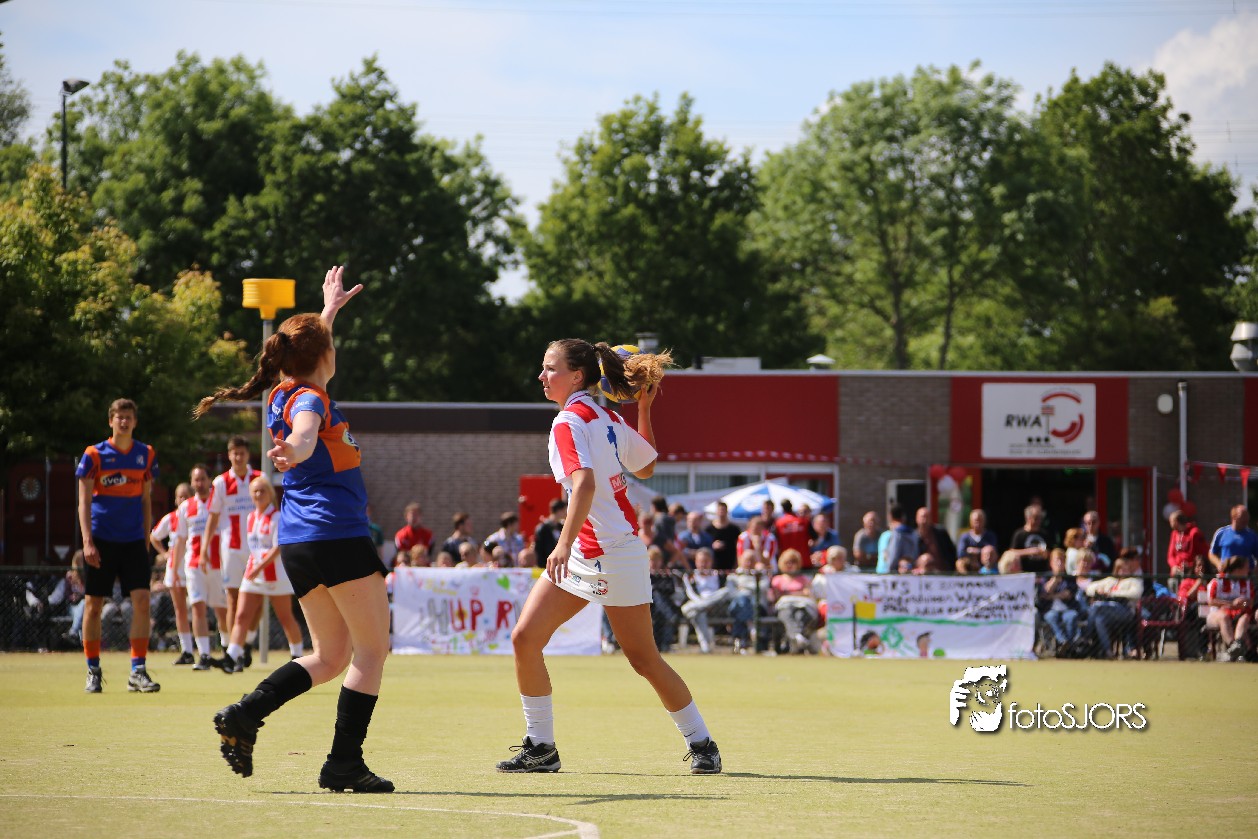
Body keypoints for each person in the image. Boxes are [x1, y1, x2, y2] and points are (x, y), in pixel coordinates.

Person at [196, 265, 393, 793]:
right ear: (324, 356)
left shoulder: (284, 391)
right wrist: (299, 448)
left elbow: (308, 375)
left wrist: (327, 310)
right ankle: (343, 763)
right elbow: (306, 431)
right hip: (336, 535)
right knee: (371, 652)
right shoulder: (309, 399)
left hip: (300, 541)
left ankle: (245, 714)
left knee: (330, 657)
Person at [497, 338, 721, 775]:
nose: (542, 376)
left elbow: (584, 485)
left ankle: (703, 744)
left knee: (643, 659)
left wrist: (561, 544)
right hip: (589, 549)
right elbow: (647, 466)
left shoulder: (569, 422)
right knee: (524, 639)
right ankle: (541, 747)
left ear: (577, 376)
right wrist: (644, 409)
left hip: (614, 553)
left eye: (550, 368)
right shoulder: (606, 416)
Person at [75, 397, 161, 694]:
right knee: (93, 605)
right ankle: (93, 670)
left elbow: (146, 500)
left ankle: (137, 670)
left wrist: (146, 538)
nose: (124, 421)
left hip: (133, 540)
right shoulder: (94, 455)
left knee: (142, 601)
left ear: (135, 422)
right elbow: (84, 501)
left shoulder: (146, 454)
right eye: (119, 417)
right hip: (101, 539)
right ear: (110, 420)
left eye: (128, 417)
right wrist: (87, 541)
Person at [223, 476, 306, 672]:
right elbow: (254, 549)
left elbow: (278, 547)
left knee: (285, 617)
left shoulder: (277, 517)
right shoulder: (250, 517)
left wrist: (260, 567)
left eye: (262, 491)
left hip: (275, 575)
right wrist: (253, 568)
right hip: (253, 574)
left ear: (270, 494)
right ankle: (232, 656)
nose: (259, 494)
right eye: (255, 491)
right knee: (241, 615)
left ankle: (297, 657)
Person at [201, 435, 263, 667]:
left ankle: (247, 641)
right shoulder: (220, 483)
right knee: (233, 600)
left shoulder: (260, 479)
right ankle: (232, 652)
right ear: (229, 455)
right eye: (234, 453)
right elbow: (213, 517)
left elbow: (272, 510)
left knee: (258, 600)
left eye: (242, 453)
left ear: (248, 455)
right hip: (231, 549)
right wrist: (205, 549)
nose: (238, 457)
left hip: (258, 550)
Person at [171, 464, 229, 671]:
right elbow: (180, 540)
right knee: (197, 608)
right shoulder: (186, 507)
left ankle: (227, 650)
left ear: (209, 480)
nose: (200, 483)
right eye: (196, 479)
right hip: (194, 565)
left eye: (203, 479)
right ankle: (204, 655)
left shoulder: (219, 502)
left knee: (222, 610)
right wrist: (174, 568)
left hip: (218, 564)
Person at [150, 481, 195, 664]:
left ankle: (207, 649)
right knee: (180, 610)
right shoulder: (171, 518)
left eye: (186, 495)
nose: (182, 499)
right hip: (175, 567)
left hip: (193, 564)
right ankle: (187, 650)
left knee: (198, 607)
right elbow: (154, 536)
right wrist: (165, 554)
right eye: (179, 496)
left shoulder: (198, 514)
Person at [1085, 549, 1144, 659]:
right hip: (1106, 611)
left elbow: (1136, 593)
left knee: (1096, 606)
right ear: (1116, 570)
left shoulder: (1133, 581)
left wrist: (1112, 593)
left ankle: (1087, 639)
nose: (1123, 572)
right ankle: (1108, 651)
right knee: (1099, 620)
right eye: (1120, 569)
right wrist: (1098, 590)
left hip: (1125, 611)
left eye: (1126, 569)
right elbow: (1089, 588)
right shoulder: (1110, 580)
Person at [768, 549, 818, 654]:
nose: (790, 565)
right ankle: (797, 637)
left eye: (793, 562)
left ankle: (795, 640)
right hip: (784, 607)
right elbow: (776, 597)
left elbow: (808, 594)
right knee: (786, 614)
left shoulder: (804, 579)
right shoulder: (777, 579)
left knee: (800, 615)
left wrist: (788, 593)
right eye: (787, 562)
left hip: (802, 606)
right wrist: (799, 592)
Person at [680, 548, 728, 654]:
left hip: (717, 607)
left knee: (726, 591)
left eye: (706, 561)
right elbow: (691, 594)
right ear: (696, 561)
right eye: (700, 561)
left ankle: (688, 609)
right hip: (699, 606)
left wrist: (708, 603)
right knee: (699, 613)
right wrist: (704, 604)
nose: (703, 564)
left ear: (711, 561)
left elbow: (722, 594)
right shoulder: (689, 576)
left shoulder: (719, 575)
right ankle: (705, 646)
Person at [1206, 556, 1254, 661]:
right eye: (1246, 567)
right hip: (1216, 615)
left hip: (1237, 615)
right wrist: (1232, 604)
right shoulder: (1218, 581)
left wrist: (1243, 602)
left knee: (1245, 617)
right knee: (1224, 617)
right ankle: (1233, 646)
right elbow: (1211, 601)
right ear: (1237, 570)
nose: (1249, 570)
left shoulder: (1247, 583)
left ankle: (1236, 646)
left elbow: (1250, 602)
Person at [1208, 506, 1257, 574]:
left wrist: (1254, 571)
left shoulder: (1252, 535)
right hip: (1226, 575)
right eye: (1243, 516)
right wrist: (1219, 564)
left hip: (1246, 576)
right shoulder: (1221, 533)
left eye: (1247, 516)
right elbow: (1211, 554)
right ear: (1234, 517)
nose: (1246, 519)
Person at [1008, 504, 1053, 573]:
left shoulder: (1045, 534)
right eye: (1035, 518)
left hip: (1042, 573)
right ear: (1028, 518)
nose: (1038, 521)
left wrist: (1046, 553)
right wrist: (1029, 551)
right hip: (1025, 573)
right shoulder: (1019, 534)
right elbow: (1011, 553)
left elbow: (1051, 552)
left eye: (1040, 518)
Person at [1166, 510, 1206, 583]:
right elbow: (1170, 555)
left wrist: (1191, 565)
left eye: (1171, 521)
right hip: (1177, 573)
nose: (1169, 524)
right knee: (1172, 583)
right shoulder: (1174, 534)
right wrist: (1174, 565)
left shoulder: (1194, 533)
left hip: (1190, 573)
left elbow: (1203, 553)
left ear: (1176, 522)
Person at [772, 500, 812, 568]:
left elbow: (775, 543)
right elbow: (815, 538)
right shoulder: (804, 521)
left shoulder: (778, 523)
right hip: (804, 561)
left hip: (787, 563)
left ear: (782, 509)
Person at [880, 504, 917, 574]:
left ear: (890, 516)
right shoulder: (913, 533)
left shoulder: (896, 533)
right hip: (912, 570)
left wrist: (891, 568)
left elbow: (894, 553)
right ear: (903, 517)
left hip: (897, 572)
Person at [705, 502, 741, 571]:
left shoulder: (734, 529)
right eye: (720, 510)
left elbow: (738, 546)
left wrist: (737, 563)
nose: (721, 512)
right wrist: (713, 545)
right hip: (714, 564)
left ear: (727, 511)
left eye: (723, 510)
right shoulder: (709, 529)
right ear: (716, 512)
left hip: (730, 563)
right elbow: (705, 546)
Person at [533, 498, 566, 563]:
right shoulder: (543, 528)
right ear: (559, 510)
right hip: (545, 563)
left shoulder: (561, 527)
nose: (566, 513)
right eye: (564, 510)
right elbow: (538, 549)